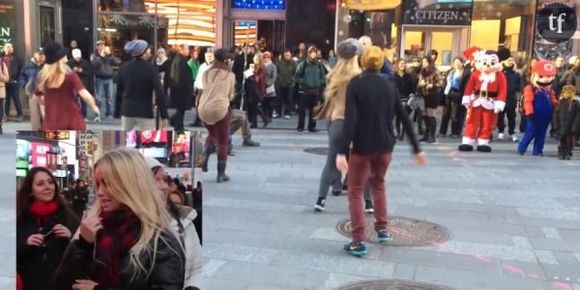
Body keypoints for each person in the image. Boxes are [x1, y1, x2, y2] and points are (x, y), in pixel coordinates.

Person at [335, 46, 427, 257]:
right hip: (385, 146)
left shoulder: (355, 85)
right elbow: (404, 118)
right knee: (378, 185)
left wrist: (341, 152)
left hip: (362, 147)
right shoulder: (389, 85)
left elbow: (350, 121)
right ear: (380, 63)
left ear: (362, 62)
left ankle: (358, 240)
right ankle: (382, 229)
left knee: (356, 191)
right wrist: (416, 148)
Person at [54, 148, 185, 290]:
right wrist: (83, 244)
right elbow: (62, 284)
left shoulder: (160, 240)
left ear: (129, 185)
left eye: (108, 184)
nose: (100, 192)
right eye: (98, 184)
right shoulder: (94, 228)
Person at [314, 38, 368, 212]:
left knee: (331, 161)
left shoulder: (334, 76)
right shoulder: (359, 78)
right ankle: (368, 202)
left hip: (335, 121)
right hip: (355, 124)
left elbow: (329, 101)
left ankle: (321, 199)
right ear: (355, 57)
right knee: (362, 163)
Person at [17, 167, 79, 290]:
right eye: (40, 184)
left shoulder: (68, 215)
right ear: (31, 190)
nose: (48, 187)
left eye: (50, 182)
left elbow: (85, 253)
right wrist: (25, 243)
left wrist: (71, 238)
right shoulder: (20, 217)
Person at [148, 158, 203, 290]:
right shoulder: (131, 227)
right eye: (156, 180)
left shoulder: (185, 222)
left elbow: (198, 268)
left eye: (164, 179)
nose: (164, 186)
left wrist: (193, 287)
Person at [34, 42, 100, 130]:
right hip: (73, 121)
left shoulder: (42, 77)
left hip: (52, 123)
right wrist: (94, 107)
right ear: (59, 59)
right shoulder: (70, 76)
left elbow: (36, 97)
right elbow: (85, 94)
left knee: (55, 143)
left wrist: (48, 105)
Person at [197, 48, 236, 183]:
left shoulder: (206, 73)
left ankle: (204, 156)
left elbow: (202, 89)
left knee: (212, 135)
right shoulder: (230, 75)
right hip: (219, 109)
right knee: (222, 141)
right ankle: (221, 173)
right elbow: (230, 95)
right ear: (225, 60)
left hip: (202, 108)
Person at [115, 39, 169, 130]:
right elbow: (159, 93)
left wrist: (117, 112)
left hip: (127, 110)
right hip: (144, 111)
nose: (150, 51)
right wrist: (164, 115)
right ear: (143, 52)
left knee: (126, 142)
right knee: (148, 141)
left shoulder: (124, 67)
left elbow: (119, 91)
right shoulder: (151, 69)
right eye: (148, 49)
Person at [518, 60, 558, 156]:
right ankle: (522, 148)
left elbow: (553, 100)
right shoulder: (530, 88)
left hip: (546, 116)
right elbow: (528, 101)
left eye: (549, 77)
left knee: (542, 134)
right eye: (541, 76)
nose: (545, 80)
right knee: (531, 132)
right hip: (534, 115)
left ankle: (538, 150)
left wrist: (558, 105)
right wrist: (529, 111)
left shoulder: (549, 90)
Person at [295, 46, 326, 132]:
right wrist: (304, 82)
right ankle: (300, 127)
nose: (313, 54)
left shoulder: (319, 65)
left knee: (314, 111)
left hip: (315, 91)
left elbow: (323, 77)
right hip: (304, 91)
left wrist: (319, 82)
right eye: (311, 52)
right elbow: (297, 77)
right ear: (308, 53)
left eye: (314, 52)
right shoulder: (303, 64)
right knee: (302, 111)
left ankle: (312, 127)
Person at [91, 41, 119, 122]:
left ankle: (109, 114)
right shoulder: (94, 55)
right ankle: (97, 115)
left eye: (103, 45)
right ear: (97, 47)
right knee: (98, 98)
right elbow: (94, 65)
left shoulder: (108, 55)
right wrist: (101, 56)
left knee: (109, 98)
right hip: (99, 78)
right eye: (100, 45)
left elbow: (117, 62)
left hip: (109, 78)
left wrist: (110, 54)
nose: (102, 46)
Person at [169, 45, 195, 132]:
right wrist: (189, 89)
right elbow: (182, 76)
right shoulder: (180, 61)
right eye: (187, 49)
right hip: (181, 90)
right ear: (181, 50)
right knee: (181, 110)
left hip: (179, 89)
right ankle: (178, 126)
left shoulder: (179, 60)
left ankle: (178, 124)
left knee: (181, 110)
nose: (188, 51)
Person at [417, 56, 442, 143]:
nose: (423, 63)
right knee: (424, 116)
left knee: (431, 115)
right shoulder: (422, 71)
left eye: (425, 62)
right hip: (423, 95)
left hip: (432, 95)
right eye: (422, 62)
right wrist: (421, 84)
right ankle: (425, 135)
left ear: (429, 62)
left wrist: (432, 85)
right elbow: (419, 84)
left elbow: (440, 83)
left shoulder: (435, 71)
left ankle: (432, 136)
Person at [19, 48, 45, 129]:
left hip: (45, 94)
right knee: (35, 117)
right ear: (35, 54)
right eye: (40, 54)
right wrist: (25, 85)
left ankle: (48, 134)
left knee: (46, 116)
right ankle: (37, 134)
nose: (41, 56)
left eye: (43, 54)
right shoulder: (27, 66)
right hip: (32, 94)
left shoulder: (46, 66)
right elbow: (21, 78)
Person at [497, 56, 522, 142]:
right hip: (501, 98)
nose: (510, 61)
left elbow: (520, 86)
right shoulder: (500, 72)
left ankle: (512, 132)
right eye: (508, 60)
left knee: (512, 117)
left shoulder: (516, 74)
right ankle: (500, 131)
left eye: (512, 60)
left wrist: (514, 87)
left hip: (511, 98)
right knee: (500, 116)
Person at [553, 85, 580, 160]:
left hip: (570, 126)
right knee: (561, 140)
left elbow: (577, 116)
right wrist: (555, 124)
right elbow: (555, 114)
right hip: (561, 126)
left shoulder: (575, 103)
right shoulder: (560, 102)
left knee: (569, 141)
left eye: (566, 92)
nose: (564, 94)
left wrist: (575, 127)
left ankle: (568, 153)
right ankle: (561, 152)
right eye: (563, 92)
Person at [245, 53, 270, 128]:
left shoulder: (262, 67)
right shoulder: (254, 66)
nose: (254, 60)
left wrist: (253, 74)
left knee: (254, 106)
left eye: (255, 59)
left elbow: (259, 79)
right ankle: (259, 121)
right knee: (254, 106)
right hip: (252, 88)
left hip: (257, 89)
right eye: (254, 58)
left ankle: (261, 120)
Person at [1, 42, 24, 122]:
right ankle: (6, 115)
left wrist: (18, 80)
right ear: (4, 49)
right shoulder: (1, 58)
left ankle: (20, 115)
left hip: (14, 81)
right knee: (6, 100)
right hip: (4, 82)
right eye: (7, 47)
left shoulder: (17, 58)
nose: (9, 48)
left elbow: (21, 69)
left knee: (16, 99)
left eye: (11, 47)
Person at [393, 59, 415, 140]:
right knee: (398, 117)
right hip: (396, 99)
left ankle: (402, 134)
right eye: (401, 63)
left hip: (406, 99)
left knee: (404, 117)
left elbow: (412, 88)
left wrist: (411, 97)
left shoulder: (408, 76)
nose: (402, 65)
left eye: (404, 63)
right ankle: (398, 132)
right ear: (397, 65)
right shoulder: (394, 76)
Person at [68, 48, 92, 120]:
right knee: (74, 100)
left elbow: (88, 72)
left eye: (78, 57)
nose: (77, 58)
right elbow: (66, 72)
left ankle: (84, 115)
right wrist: (72, 70)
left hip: (82, 83)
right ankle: (76, 114)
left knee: (83, 101)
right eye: (76, 57)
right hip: (73, 84)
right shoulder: (70, 63)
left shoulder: (84, 63)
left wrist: (81, 71)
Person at [276, 50, 297, 119]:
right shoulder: (280, 62)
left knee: (289, 99)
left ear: (290, 55)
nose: (287, 56)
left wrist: (292, 79)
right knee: (279, 98)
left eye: (288, 55)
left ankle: (287, 113)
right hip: (281, 83)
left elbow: (296, 73)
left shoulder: (293, 63)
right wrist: (279, 78)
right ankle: (278, 112)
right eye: (285, 55)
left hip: (290, 84)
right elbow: (277, 71)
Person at [263, 52, 278, 118]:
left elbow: (274, 76)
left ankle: (270, 115)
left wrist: (268, 83)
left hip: (269, 86)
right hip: (262, 86)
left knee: (270, 101)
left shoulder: (273, 66)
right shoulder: (261, 65)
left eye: (267, 57)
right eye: (264, 57)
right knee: (264, 102)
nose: (266, 58)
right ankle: (264, 115)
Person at [0, 57, 8, 134]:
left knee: (0, 110)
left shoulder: (2, 65)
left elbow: (7, 78)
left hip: (0, 91)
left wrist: (0, 76)